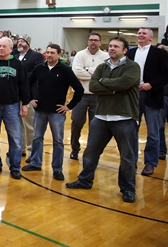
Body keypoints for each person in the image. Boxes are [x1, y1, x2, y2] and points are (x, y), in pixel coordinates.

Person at [66, 36, 140, 203]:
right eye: (110, 46)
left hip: (124, 117)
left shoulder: (133, 67)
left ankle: (128, 189)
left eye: (116, 46)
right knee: (91, 152)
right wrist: (112, 87)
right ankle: (85, 180)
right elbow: (93, 86)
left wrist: (104, 84)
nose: (112, 48)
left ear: (125, 50)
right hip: (101, 117)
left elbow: (124, 83)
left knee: (127, 157)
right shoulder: (102, 66)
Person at [21, 44, 84, 181]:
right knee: (37, 138)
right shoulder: (40, 68)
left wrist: (69, 106)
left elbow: (79, 89)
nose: (49, 55)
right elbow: (28, 82)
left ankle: (57, 168)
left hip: (57, 112)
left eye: (52, 53)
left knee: (58, 141)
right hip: (40, 111)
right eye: (47, 52)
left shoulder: (65, 70)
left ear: (59, 54)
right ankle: (35, 163)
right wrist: (31, 99)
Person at [126, 27, 168, 176]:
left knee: (153, 131)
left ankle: (150, 163)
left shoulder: (159, 54)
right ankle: (131, 160)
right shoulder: (130, 53)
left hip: (152, 95)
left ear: (151, 38)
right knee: (132, 130)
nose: (140, 35)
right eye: (139, 33)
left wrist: (151, 84)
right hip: (133, 95)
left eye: (144, 33)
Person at [0, 35, 30, 179]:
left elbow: (24, 85)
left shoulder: (18, 65)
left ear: (11, 49)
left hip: (12, 105)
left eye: (4, 46)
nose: (1, 48)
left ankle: (15, 167)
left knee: (15, 138)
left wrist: (25, 104)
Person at [70, 32, 109, 160]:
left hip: (99, 96)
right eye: (91, 40)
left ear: (100, 42)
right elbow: (77, 72)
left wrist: (87, 69)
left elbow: (107, 75)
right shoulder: (80, 55)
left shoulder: (106, 56)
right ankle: (75, 149)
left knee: (96, 125)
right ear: (88, 41)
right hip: (81, 95)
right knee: (76, 122)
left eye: (96, 40)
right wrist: (96, 75)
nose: (93, 42)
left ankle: (93, 152)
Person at [13, 35, 44, 160]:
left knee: (30, 125)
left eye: (22, 41)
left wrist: (20, 76)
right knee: (17, 124)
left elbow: (38, 73)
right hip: (15, 95)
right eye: (18, 41)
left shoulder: (36, 56)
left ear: (28, 43)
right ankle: (20, 148)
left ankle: (32, 151)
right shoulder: (14, 55)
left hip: (29, 95)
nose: (20, 43)